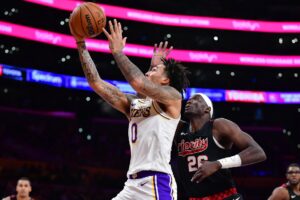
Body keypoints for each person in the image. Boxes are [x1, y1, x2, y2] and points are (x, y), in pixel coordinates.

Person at [69, 17, 190, 200]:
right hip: (131, 185)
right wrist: (80, 42)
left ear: (166, 80)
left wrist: (118, 52)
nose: (149, 71)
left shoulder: (173, 97)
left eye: (155, 70)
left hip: (156, 183)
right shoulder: (133, 104)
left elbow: (139, 83)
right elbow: (96, 83)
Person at [173, 93, 267, 200]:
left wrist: (218, 164)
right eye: (189, 99)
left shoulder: (218, 126)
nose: (189, 101)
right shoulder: (179, 129)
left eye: (196, 99)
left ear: (207, 109)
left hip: (224, 196)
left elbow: (258, 152)